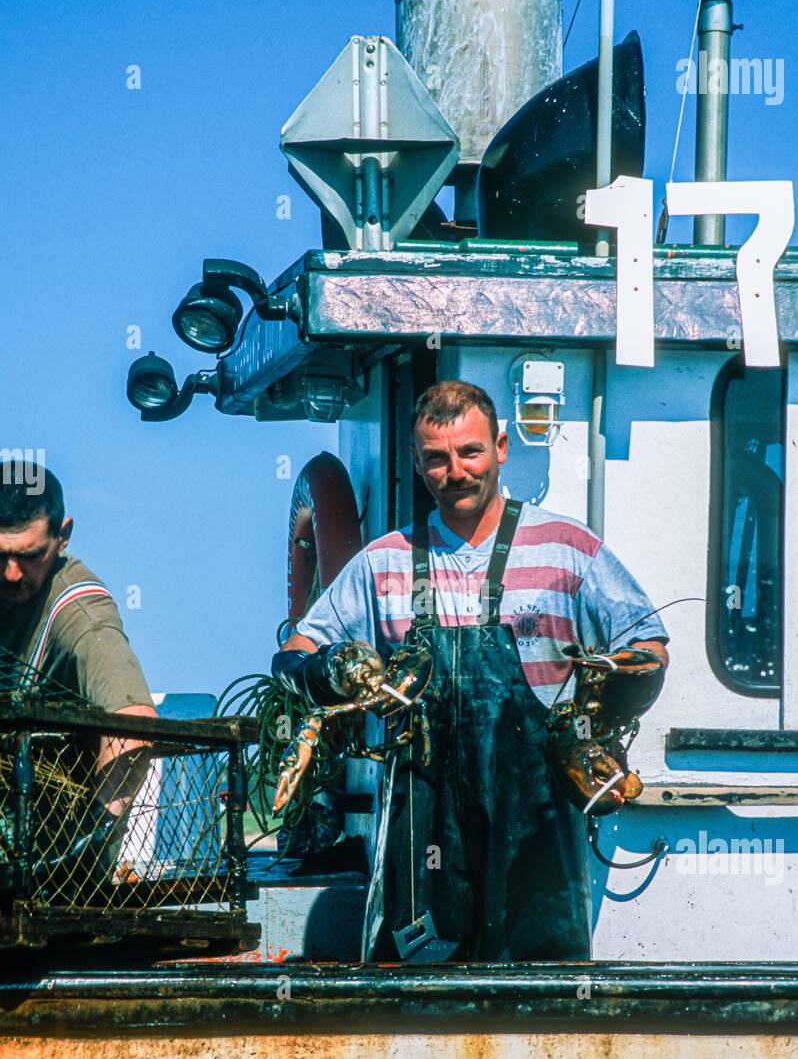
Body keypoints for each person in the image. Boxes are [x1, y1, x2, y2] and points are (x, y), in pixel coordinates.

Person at [273, 381, 669, 963]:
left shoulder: (566, 549)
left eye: (470, 452)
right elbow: (297, 650)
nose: (455, 471)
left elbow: (650, 644)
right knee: (413, 990)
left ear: (502, 447)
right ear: (417, 461)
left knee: (544, 994)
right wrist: (323, 670)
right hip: (422, 823)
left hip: (534, 823)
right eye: (436, 457)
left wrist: (605, 709)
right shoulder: (383, 561)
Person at [0, 459, 156, 817]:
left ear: (63, 537)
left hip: (45, 841)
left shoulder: (81, 613)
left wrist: (91, 843)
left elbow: (135, 721)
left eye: (29, 556)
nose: (11, 574)